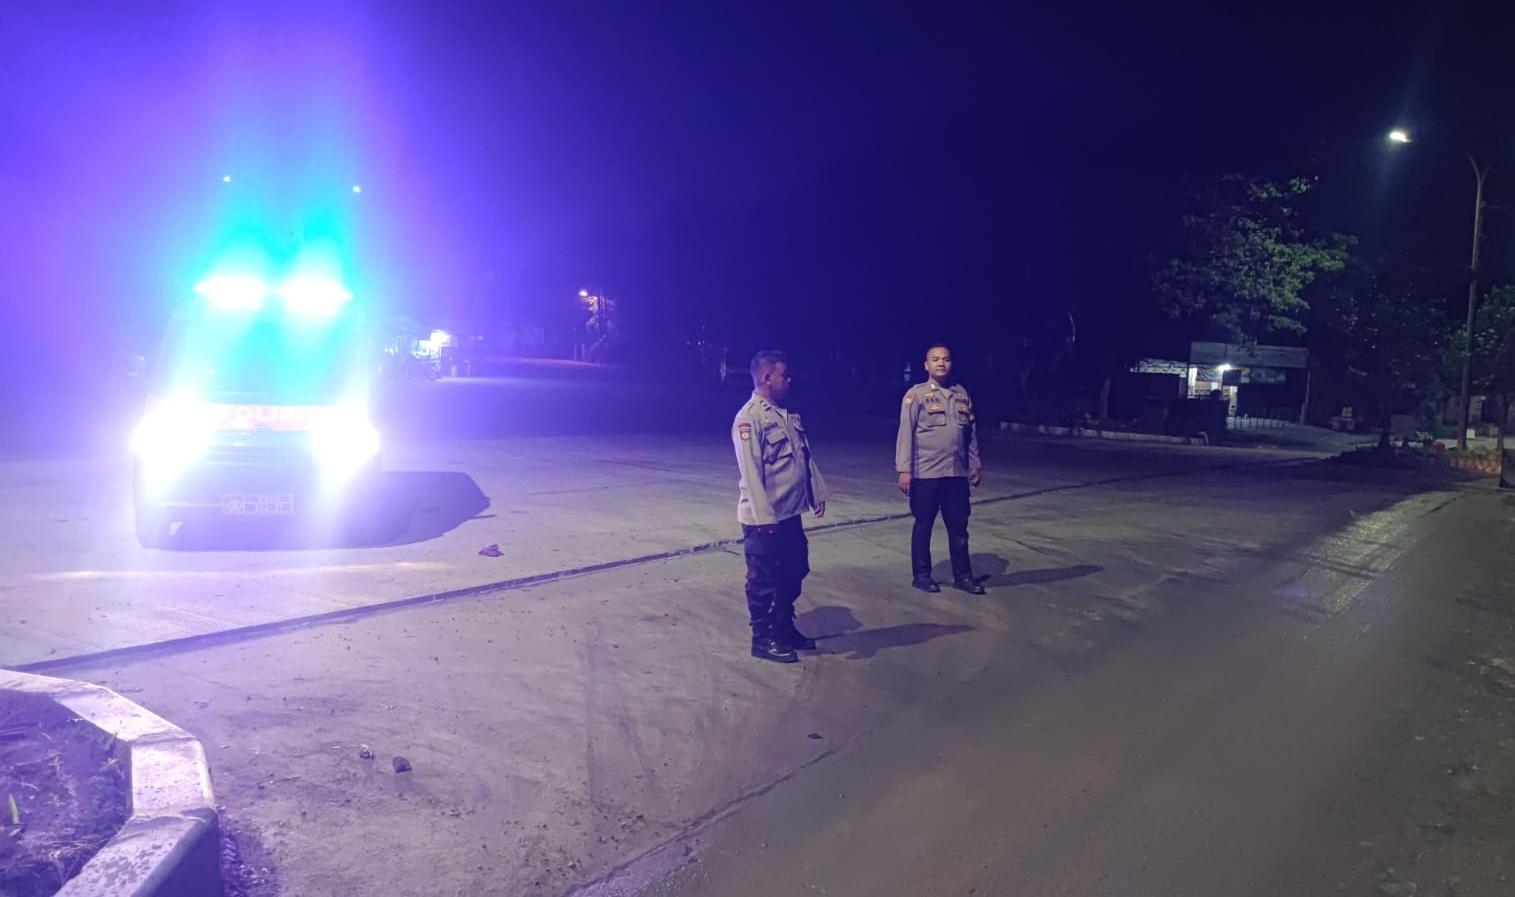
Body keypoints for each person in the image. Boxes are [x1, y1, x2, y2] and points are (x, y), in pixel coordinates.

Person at [732, 350, 829, 663]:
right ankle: (762, 640)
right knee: (763, 581)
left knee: (796, 569)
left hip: (789, 513)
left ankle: (783, 628)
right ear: (766, 378)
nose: (789, 380)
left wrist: (816, 492)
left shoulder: (786, 415)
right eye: (783, 375)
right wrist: (764, 517)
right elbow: (751, 472)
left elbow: (804, 458)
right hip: (765, 519)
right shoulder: (749, 418)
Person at [895, 343, 985, 595]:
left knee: (959, 528)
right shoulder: (916, 395)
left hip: (956, 474)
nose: (941, 363)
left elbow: (970, 434)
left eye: (946, 359)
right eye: (935, 359)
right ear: (926, 365)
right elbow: (905, 433)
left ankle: (963, 577)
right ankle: (922, 575)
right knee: (923, 526)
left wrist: (975, 464)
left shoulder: (961, 394)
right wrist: (904, 470)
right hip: (926, 474)